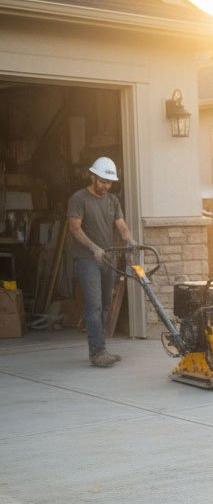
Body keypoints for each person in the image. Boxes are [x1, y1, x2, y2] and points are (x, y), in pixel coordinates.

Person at [66, 157, 134, 368]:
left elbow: (121, 226)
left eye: (109, 182)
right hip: (88, 259)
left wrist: (130, 241)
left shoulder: (113, 200)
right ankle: (97, 352)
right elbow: (75, 229)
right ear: (93, 176)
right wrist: (93, 248)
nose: (106, 186)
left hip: (108, 258)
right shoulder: (78, 199)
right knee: (94, 306)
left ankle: (101, 347)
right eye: (103, 181)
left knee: (105, 304)